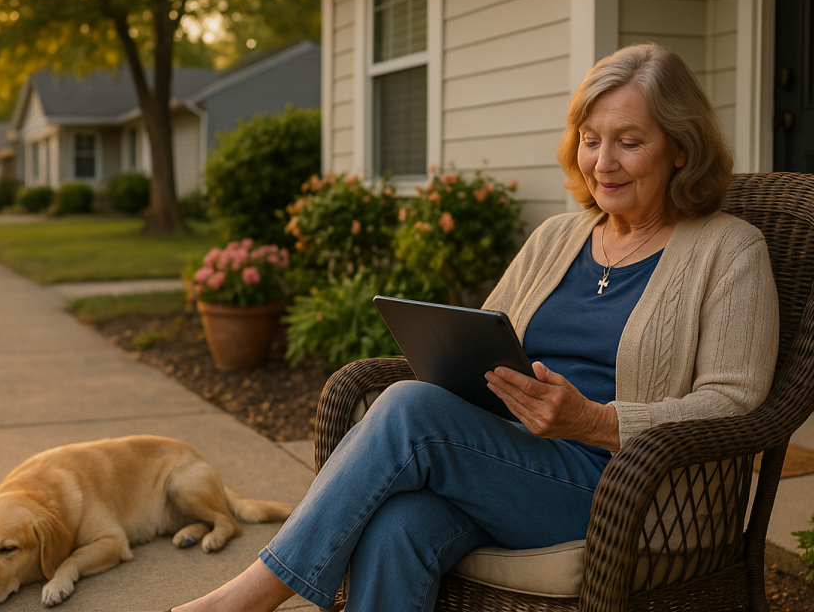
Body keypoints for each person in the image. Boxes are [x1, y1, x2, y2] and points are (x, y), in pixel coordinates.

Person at [161, 42, 780, 612]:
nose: (603, 163)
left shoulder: (729, 249)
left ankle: (248, 598)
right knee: (397, 528)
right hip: (510, 466)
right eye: (590, 140)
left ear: (681, 147)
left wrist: (593, 420)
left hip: (631, 492)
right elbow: (481, 337)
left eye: (629, 142)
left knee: (408, 410)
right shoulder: (557, 237)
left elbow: (736, 403)